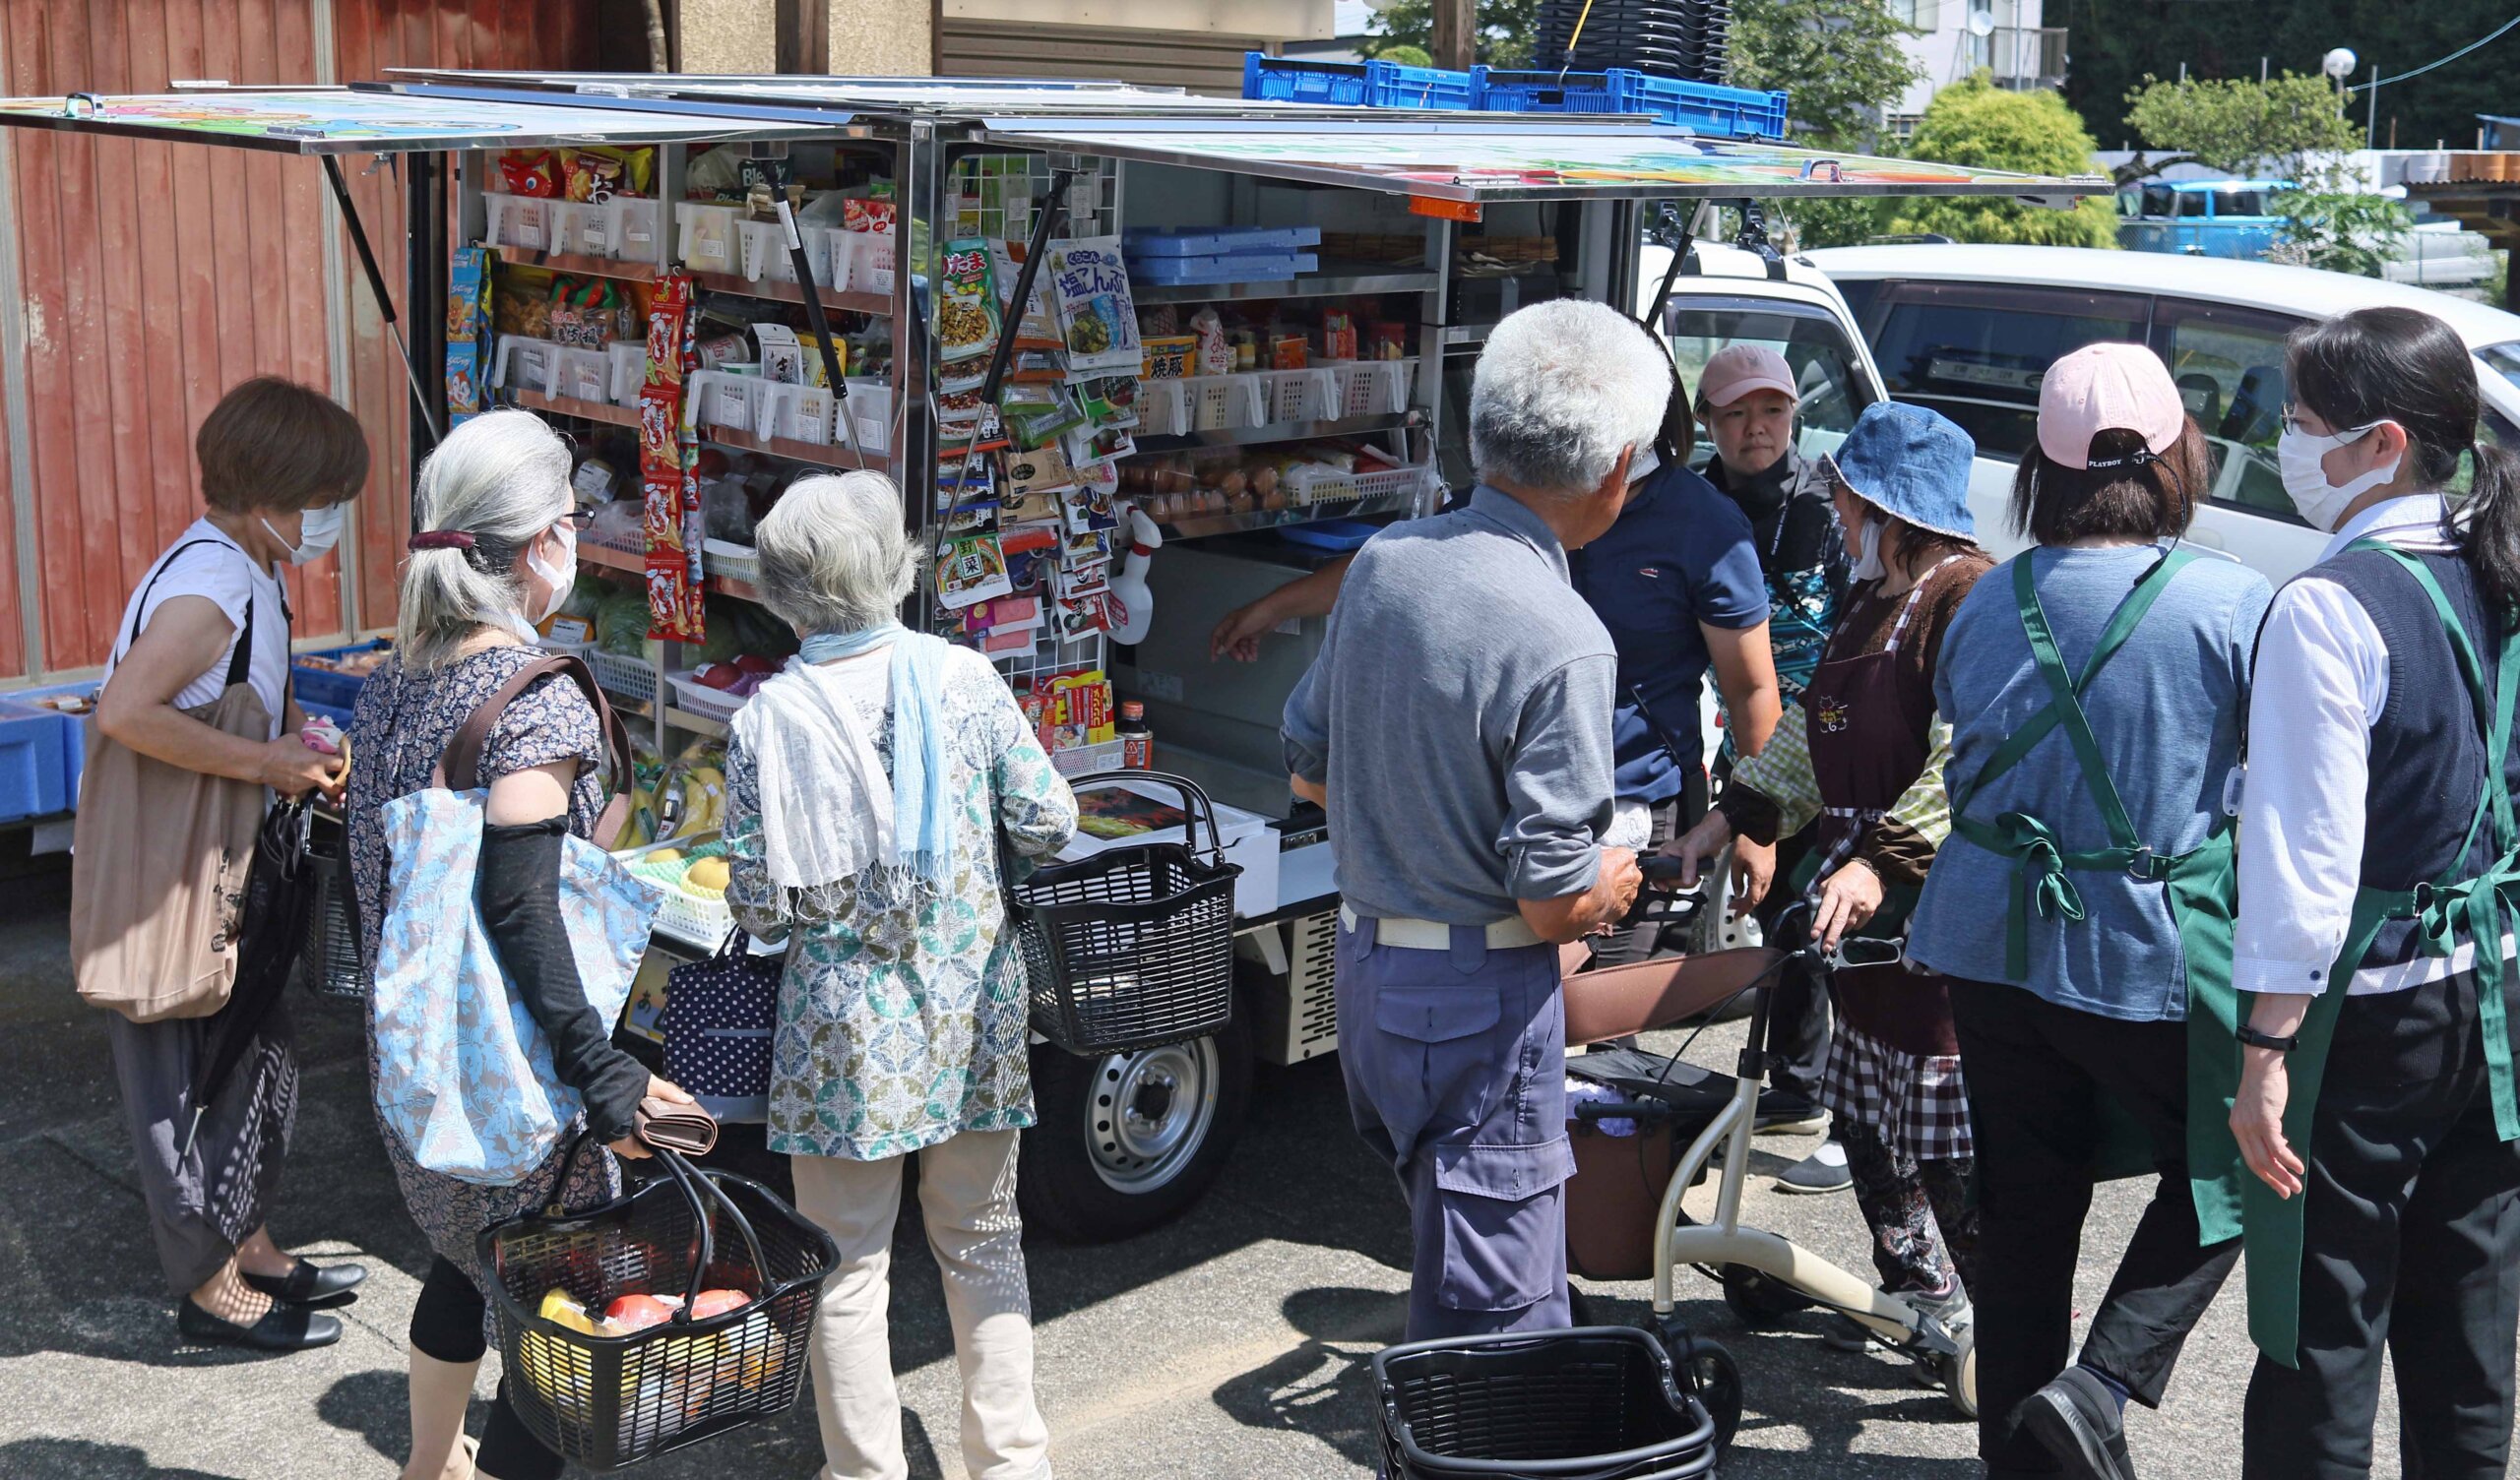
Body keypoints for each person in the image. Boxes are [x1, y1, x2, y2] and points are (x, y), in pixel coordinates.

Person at [1909, 343, 2266, 1480]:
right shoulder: (2229, 600)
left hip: (1984, 937)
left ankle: (2020, 1457)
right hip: (2134, 948)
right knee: (2235, 1163)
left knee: (2026, 1208)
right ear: (2175, 455)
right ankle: (2100, 1383)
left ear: (2042, 470)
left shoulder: (1987, 597)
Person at [1282, 298, 1652, 1339]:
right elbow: (1548, 902)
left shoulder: (1386, 566)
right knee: (1499, 1318)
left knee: (1453, 1264)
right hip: (1475, 994)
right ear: (1616, 469)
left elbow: (1308, 762)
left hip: (1367, 973)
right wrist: (1610, 884)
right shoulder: (1562, 632)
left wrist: (1405, 806)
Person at [346, 410, 695, 1480]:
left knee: (468, 1258)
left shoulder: (394, 678)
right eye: (574, 520)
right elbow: (521, 906)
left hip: (421, 1065)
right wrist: (608, 1079)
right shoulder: (535, 702)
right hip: (517, 1077)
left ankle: (426, 1465)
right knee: (559, 1316)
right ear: (545, 540)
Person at [722, 471, 1078, 1480]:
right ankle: (1010, 1463)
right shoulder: (962, 680)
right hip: (971, 1004)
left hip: (842, 1032)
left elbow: (757, 904)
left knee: (845, 1264)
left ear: (782, 586)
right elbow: (1051, 821)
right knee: (981, 1237)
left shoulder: (767, 720)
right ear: (893, 567)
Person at [2218, 306, 2520, 1478]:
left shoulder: (2329, 602)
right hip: (2493, 987)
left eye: (2300, 425)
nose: (2285, 445)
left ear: (2379, 441)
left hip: (2374, 1004)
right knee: (2468, 1318)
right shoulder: (2495, 560)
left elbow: (2304, 853)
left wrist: (2260, 1050)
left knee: (2320, 1322)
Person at [1218, 344, 1782, 971]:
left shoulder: (1701, 524)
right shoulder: (1517, 501)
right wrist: (1274, 607)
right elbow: (1402, 562)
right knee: (1524, 1016)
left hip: (1627, 802)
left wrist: (1757, 825)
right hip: (1501, 801)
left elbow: (1752, 688)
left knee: (1582, 1024)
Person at [1668, 401, 1991, 1338]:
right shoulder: (1870, 597)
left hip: (1939, 917)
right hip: (1860, 921)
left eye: (1850, 502)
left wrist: (1881, 865)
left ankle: (2011, 1323)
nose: (1838, 517)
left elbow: (1971, 750)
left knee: (1943, 1143)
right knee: (1861, 1117)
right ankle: (1919, 1292)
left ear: (1894, 510)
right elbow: (1814, 729)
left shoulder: (1969, 598)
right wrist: (1728, 819)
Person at [84, 375, 371, 1352]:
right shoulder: (209, 589)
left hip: (229, 869)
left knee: (254, 1050)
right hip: (170, 885)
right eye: (321, 497)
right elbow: (126, 712)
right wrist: (266, 760)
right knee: (177, 1079)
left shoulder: (245, 566)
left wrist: (295, 742)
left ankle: (248, 1240)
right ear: (268, 497)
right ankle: (205, 1282)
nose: (330, 517)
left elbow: (227, 704)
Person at [1696, 342, 1857, 1185]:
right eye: (1736, 414)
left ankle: (1851, 1110)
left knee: (1839, 923)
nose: (1757, 429)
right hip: (1744, 744)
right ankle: (1797, 1082)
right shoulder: (1691, 504)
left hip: (1837, 743)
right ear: (1708, 423)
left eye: (1773, 411)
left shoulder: (1831, 505)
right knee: (1780, 916)